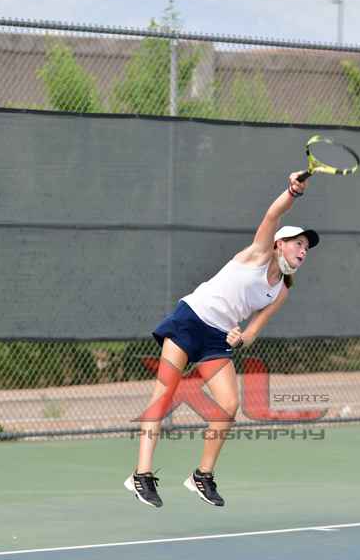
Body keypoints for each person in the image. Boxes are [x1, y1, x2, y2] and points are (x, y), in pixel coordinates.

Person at [124, 171, 319, 508]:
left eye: (306, 247)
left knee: (229, 405)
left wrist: (239, 338)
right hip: (190, 319)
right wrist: (292, 191)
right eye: (297, 243)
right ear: (279, 244)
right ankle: (141, 474)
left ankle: (202, 475)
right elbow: (273, 214)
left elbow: (252, 332)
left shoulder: (281, 291)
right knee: (164, 395)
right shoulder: (258, 253)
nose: (303, 250)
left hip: (217, 338)